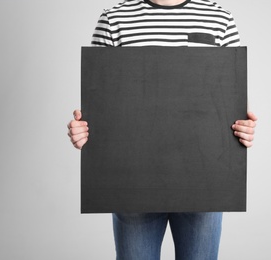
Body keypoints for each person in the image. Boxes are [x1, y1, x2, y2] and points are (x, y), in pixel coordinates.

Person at [68, 0, 257, 259]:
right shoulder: (114, 19)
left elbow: (230, 95)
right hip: (133, 183)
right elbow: (100, 101)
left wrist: (244, 128)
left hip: (203, 182)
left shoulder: (218, 17)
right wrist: (83, 131)